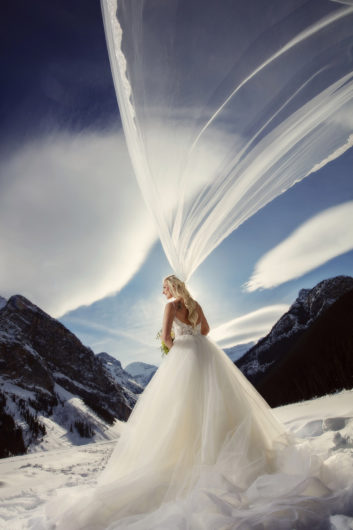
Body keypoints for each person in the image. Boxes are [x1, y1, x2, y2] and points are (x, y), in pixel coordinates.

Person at [45, 275, 350, 530]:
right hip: (206, 355)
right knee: (215, 405)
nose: (162, 292)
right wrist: (191, 333)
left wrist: (173, 345)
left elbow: (166, 336)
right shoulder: (193, 304)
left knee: (180, 412)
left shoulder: (169, 306)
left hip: (185, 357)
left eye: (164, 287)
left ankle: (187, 461)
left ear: (171, 287)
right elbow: (205, 330)